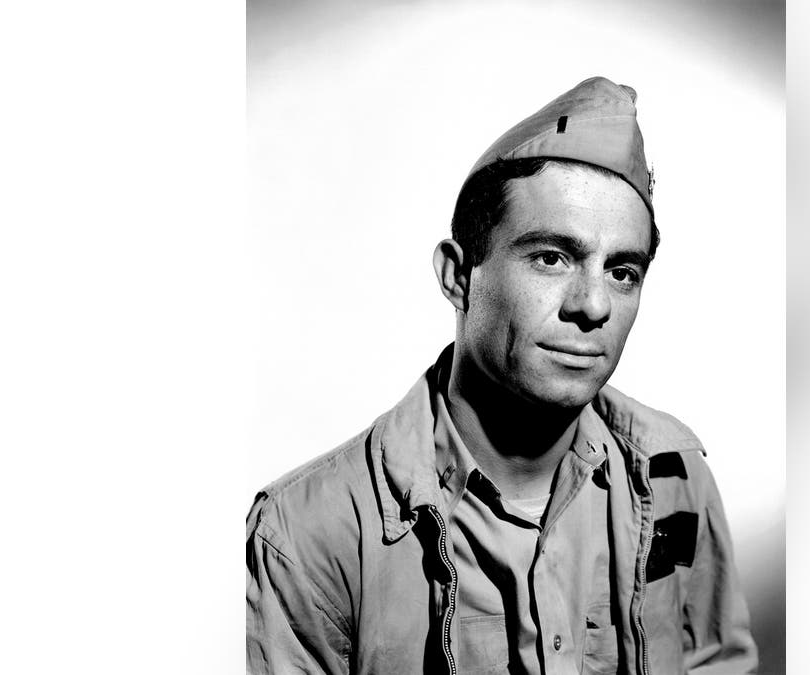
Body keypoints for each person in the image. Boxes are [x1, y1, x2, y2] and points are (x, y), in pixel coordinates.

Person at [246, 76, 757, 675]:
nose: (593, 305)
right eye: (551, 257)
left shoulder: (671, 472)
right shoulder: (307, 531)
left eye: (622, 271)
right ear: (458, 277)